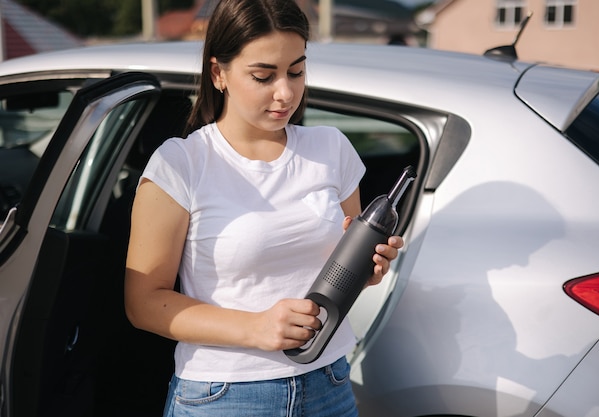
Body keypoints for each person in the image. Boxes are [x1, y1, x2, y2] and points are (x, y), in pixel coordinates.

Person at [124, 0, 404, 415]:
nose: (286, 92)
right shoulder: (182, 163)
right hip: (225, 394)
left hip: (329, 381)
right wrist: (255, 327)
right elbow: (144, 303)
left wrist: (367, 270)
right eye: (263, 75)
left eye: (297, 71)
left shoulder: (332, 150)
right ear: (219, 73)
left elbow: (335, 277)